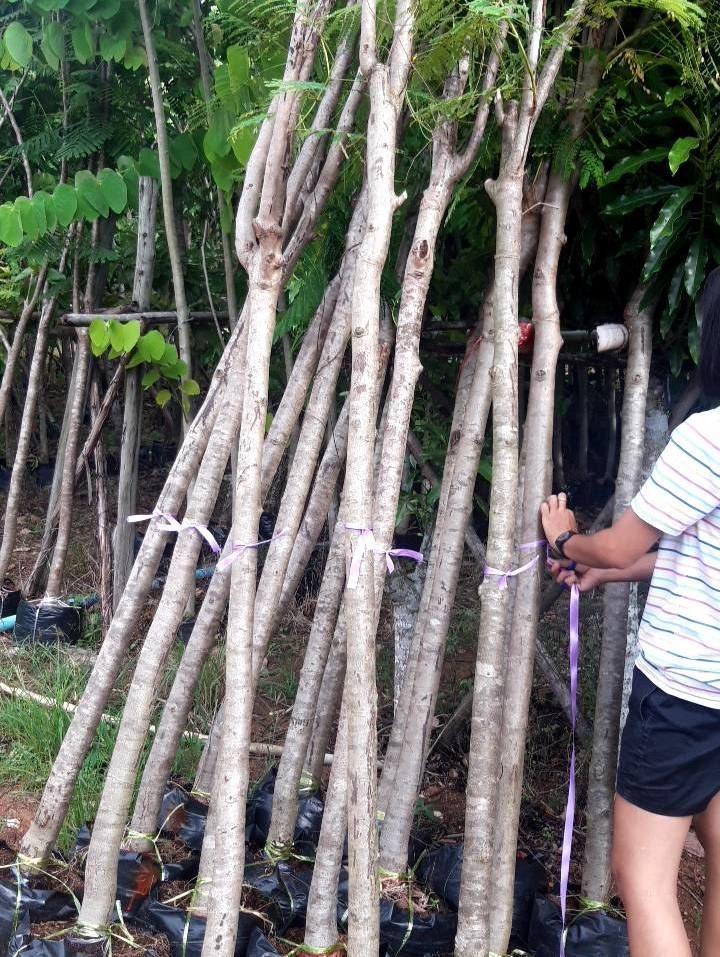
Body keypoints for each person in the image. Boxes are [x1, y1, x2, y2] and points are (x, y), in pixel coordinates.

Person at [540, 267, 720, 957]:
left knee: (641, 877)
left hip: (681, 693)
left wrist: (568, 538)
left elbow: (620, 539)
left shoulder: (707, 438)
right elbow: (690, 551)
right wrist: (614, 569)